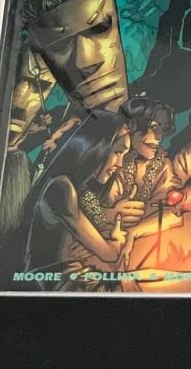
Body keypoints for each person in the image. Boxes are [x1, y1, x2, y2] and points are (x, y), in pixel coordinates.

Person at [20, 109, 135, 285]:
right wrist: (117, 240)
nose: (120, 164)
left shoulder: (81, 188)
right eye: (118, 152)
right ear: (97, 146)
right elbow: (110, 254)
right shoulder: (62, 188)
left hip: (70, 277)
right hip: (53, 282)